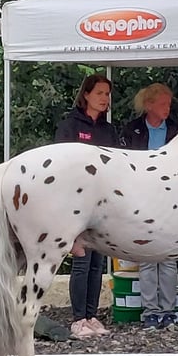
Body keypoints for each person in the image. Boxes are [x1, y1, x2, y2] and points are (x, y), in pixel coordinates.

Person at [55, 73, 118, 339]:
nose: (104, 99)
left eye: (107, 94)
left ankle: (91, 315)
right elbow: (60, 164)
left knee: (96, 262)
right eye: (99, 93)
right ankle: (78, 318)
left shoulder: (108, 130)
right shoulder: (70, 126)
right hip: (76, 203)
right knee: (81, 260)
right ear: (86, 95)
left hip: (101, 204)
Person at [119, 83, 178, 330]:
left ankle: (169, 311)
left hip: (170, 198)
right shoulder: (131, 130)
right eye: (163, 104)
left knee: (169, 257)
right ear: (149, 105)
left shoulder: (176, 130)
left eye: (169, 104)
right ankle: (150, 312)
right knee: (146, 257)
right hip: (141, 198)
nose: (167, 109)